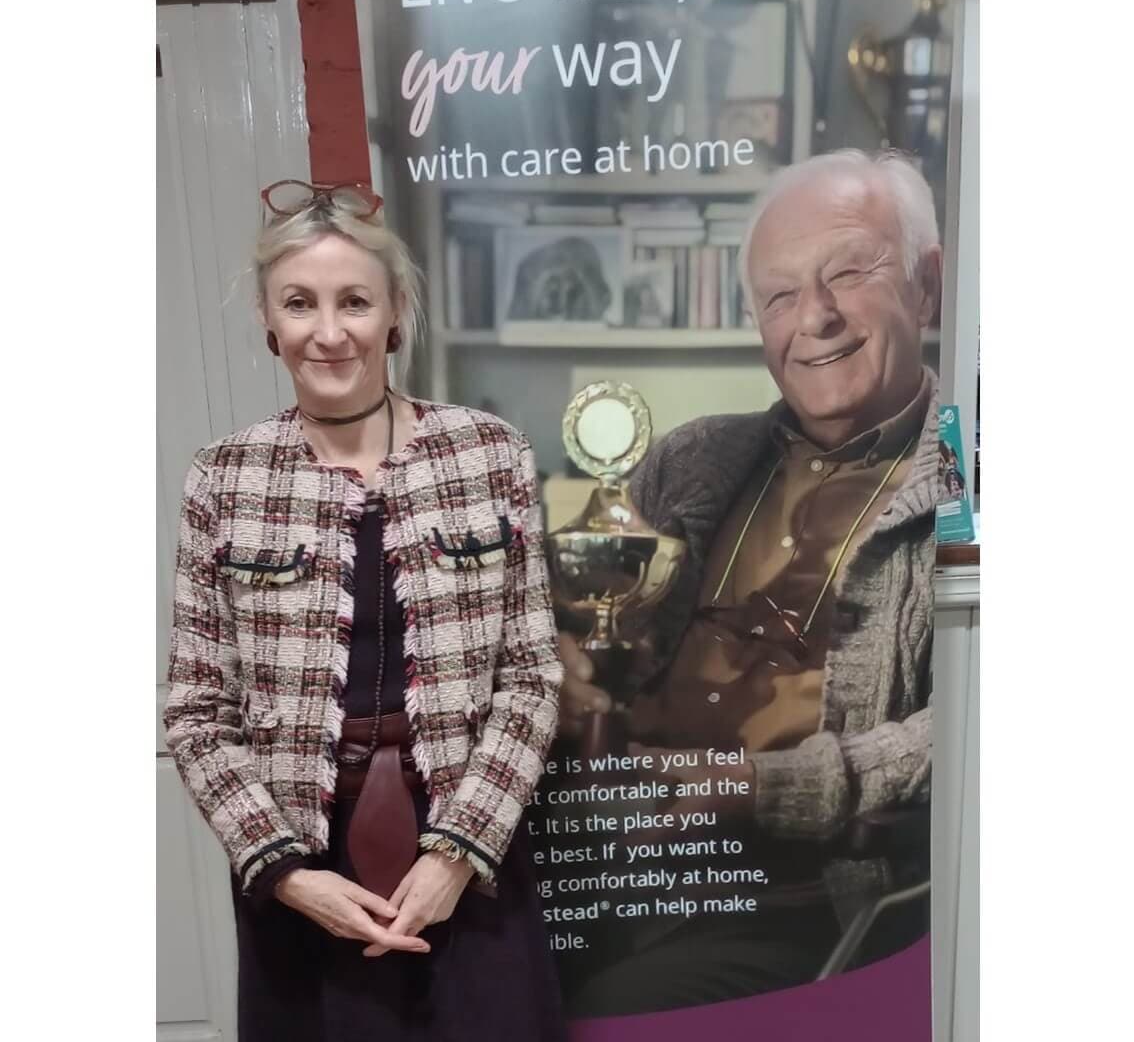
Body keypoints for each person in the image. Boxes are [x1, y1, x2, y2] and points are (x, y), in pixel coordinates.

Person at [163, 180, 566, 1041]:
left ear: (395, 315)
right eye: (300, 303)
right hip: (303, 868)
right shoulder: (225, 479)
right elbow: (196, 712)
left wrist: (457, 853)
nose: (330, 330)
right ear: (271, 325)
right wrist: (283, 872)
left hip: (469, 851)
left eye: (355, 301)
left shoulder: (488, 453)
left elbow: (530, 677)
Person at [553, 150, 942, 1014]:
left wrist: (752, 790)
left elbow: (983, 732)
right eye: (780, 296)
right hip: (614, 866)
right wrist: (564, 665)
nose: (818, 318)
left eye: (848, 272)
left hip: (800, 902)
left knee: (600, 1006)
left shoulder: (976, 476)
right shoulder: (691, 459)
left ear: (926, 285)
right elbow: (590, 626)